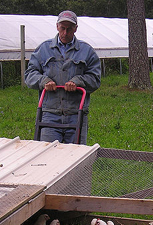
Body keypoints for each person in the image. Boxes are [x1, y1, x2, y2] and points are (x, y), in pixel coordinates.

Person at [25, 10, 101, 144]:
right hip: (49, 113)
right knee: (47, 154)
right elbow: (30, 75)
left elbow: (95, 79)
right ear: (57, 26)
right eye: (62, 28)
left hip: (76, 112)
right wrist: (44, 81)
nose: (65, 33)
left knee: (75, 155)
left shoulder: (87, 51)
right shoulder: (43, 49)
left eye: (69, 29)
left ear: (76, 29)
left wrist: (78, 81)